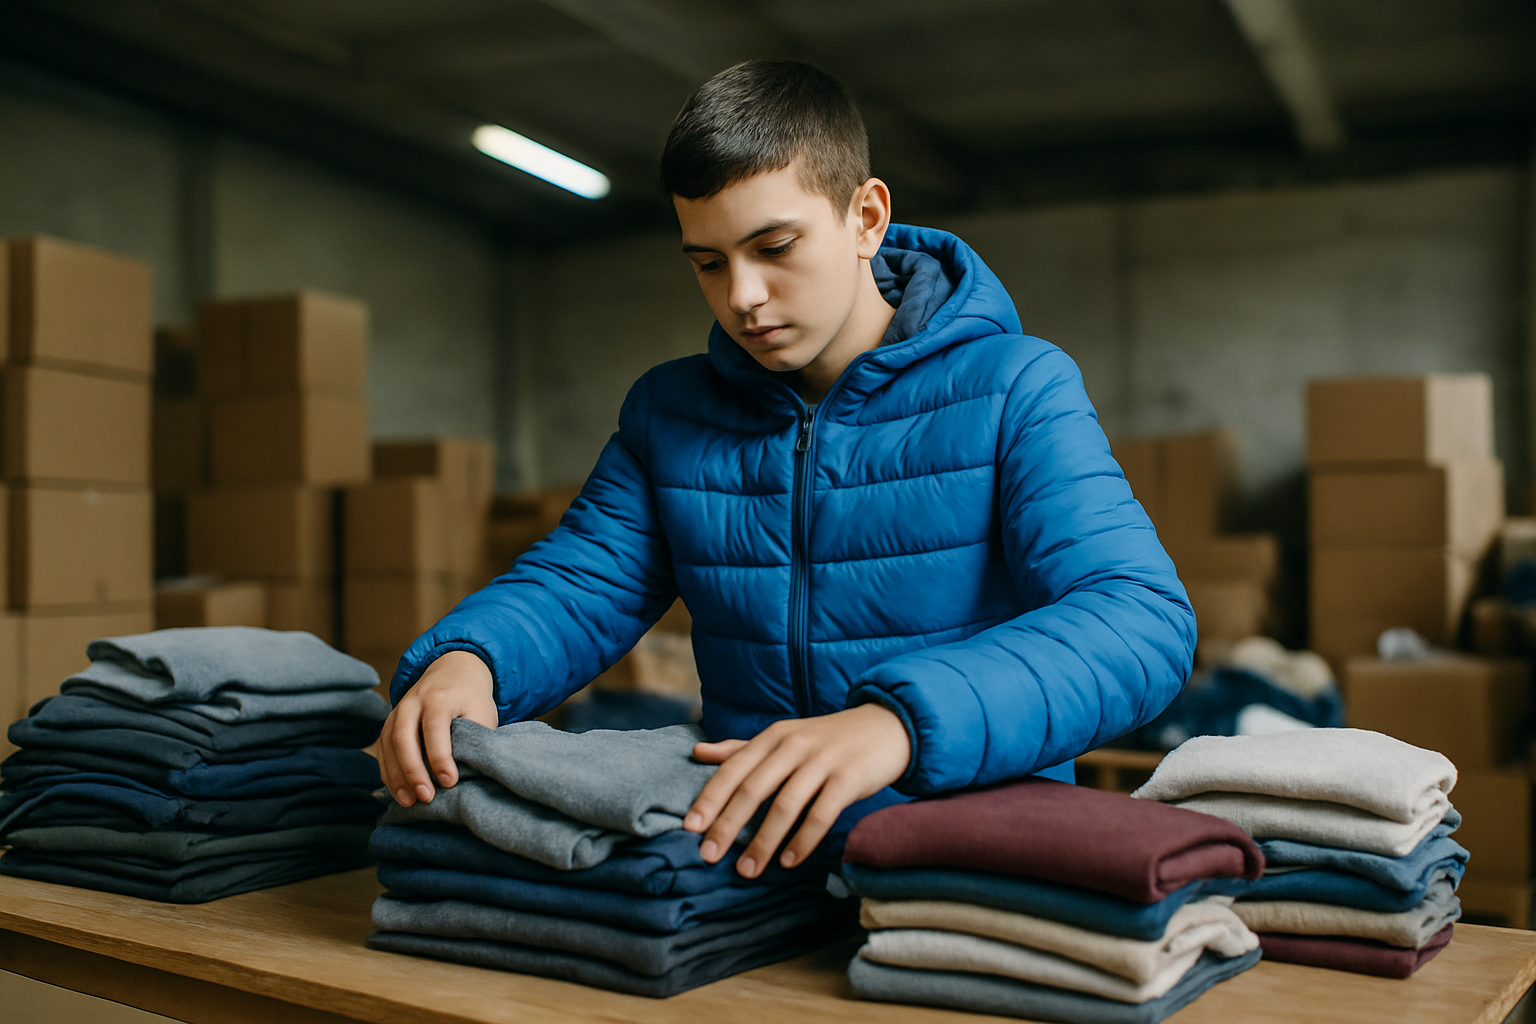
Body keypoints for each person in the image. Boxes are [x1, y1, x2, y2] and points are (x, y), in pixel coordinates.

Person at [377, 59, 1194, 880]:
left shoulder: (1016, 387)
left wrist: (902, 724)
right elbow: (581, 584)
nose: (743, 297)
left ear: (866, 216)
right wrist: (470, 657)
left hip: (967, 880)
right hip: (747, 880)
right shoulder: (671, 414)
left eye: (774, 247)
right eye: (707, 262)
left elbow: (1140, 620)